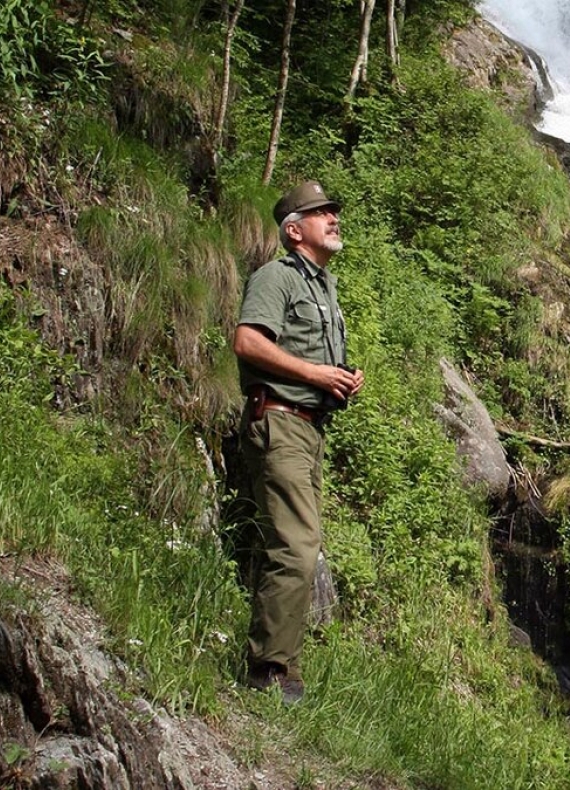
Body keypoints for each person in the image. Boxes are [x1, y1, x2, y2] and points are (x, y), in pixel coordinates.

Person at [233, 180, 365, 703]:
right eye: (321, 213)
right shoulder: (276, 276)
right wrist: (314, 374)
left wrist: (341, 378)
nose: (333, 218)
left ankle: (281, 666)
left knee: (294, 544)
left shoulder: (325, 287)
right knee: (297, 545)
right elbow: (247, 341)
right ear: (294, 230)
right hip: (280, 422)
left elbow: (312, 359)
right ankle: (268, 672)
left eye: (334, 211)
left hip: (309, 428)